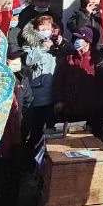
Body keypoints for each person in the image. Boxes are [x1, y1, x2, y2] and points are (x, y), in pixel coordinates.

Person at [21, 15, 61, 151]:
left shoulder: (55, 42)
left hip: (53, 94)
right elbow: (27, 61)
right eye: (42, 27)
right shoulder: (29, 44)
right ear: (36, 29)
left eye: (48, 27)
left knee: (51, 133)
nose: (45, 29)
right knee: (35, 131)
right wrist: (43, 48)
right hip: (36, 94)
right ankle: (31, 161)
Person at [53, 26, 98, 122]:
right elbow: (59, 81)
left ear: (88, 42)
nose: (77, 41)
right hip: (70, 109)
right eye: (77, 38)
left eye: (80, 39)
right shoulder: (69, 58)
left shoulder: (96, 59)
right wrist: (59, 100)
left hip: (90, 109)